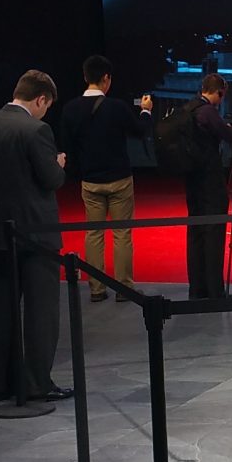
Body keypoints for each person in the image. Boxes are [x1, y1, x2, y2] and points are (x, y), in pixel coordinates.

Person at [0, 70, 70, 402]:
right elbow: (51, 179)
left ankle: (2, 383)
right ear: (40, 99)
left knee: (1, 312)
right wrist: (58, 163)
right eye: (47, 106)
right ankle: (37, 383)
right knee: (41, 313)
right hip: (34, 234)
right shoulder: (37, 130)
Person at [57, 55, 152, 300]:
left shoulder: (70, 109)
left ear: (85, 76)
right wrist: (145, 111)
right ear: (106, 78)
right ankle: (123, 288)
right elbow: (140, 131)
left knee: (94, 234)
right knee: (122, 234)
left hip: (90, 180)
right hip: (119, 178)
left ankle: (97, 289)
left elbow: (66, 147)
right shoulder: (117, 107)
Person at [179, 73, 232, 299]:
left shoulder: (189, 108)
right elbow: (231, 136)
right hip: (209, 182)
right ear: (219, 92)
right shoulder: (207, 112)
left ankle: (197, 289)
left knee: (196, 235)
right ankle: (215, 291)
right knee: (213, 235)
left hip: (192, 180)